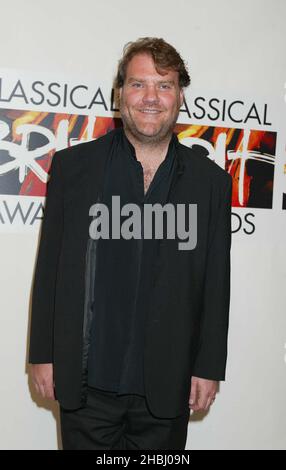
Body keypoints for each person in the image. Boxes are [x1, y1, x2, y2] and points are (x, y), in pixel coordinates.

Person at [29, 37, 232, 450]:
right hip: (88, 384)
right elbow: (50, 266)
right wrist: (42, 354)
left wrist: (209, 367)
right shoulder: (74, 168)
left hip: (167, 385)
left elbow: (216, 282)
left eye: (165, 85)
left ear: (179, 95)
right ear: (120, 94)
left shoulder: (211, 183)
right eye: (139, 85)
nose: (151, 98)